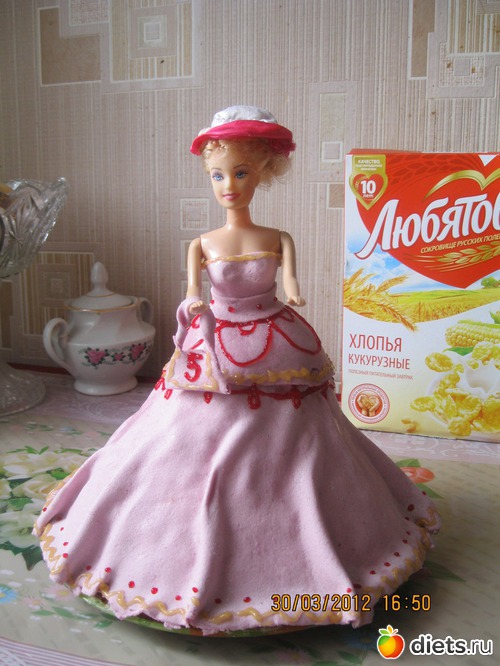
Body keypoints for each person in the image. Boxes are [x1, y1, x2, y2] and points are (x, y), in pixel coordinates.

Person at [34, 106, 440, 636]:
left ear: (264, 173)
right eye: (218, 175)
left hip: (273, 334)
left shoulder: (279, 236)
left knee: (303, 430)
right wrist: (192, 307)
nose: (229, 185)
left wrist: (293, 294)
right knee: (178, 433)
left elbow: (289, 284)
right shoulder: (201, 242)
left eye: (241, 172)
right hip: (216, 338)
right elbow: (192, 291)